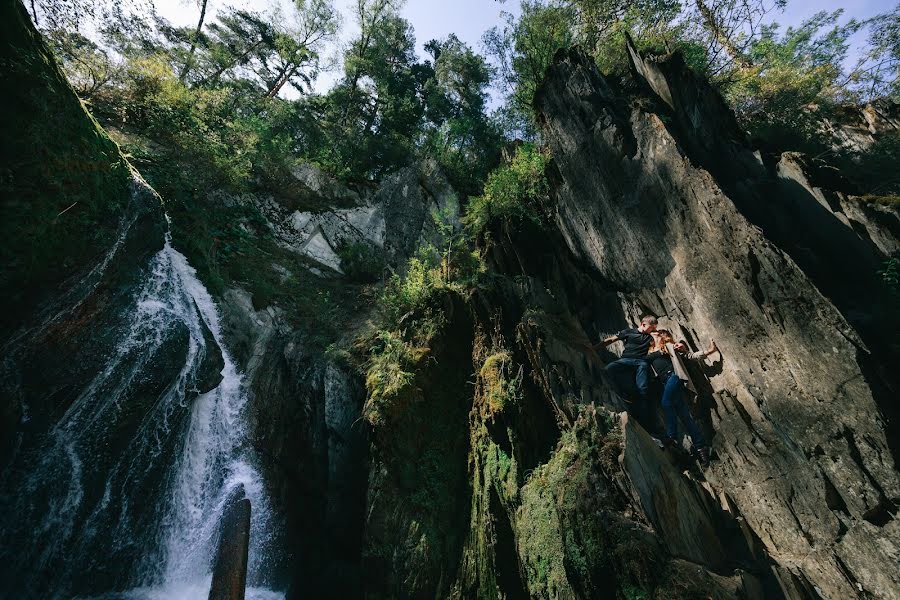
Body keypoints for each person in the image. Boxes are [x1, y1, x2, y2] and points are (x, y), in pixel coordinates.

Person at [644, 329, 718, 467]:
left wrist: (709, 351)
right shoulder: (648, 350)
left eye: (656, 333)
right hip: (665, 382)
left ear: (661, 336)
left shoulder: (669, 347)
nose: (652, 335)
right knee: (685, 416)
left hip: (674, 377)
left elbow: (690, 356)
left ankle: (671, 437)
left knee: (666, 403)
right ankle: (702, 448)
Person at [595, 315, 658, 428]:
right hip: (625, 360)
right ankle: (615, 396)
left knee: (642, 390)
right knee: (608, 369)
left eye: (655, 328)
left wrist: (655, 335)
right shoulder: (629, 332)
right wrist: (594, 348)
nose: (654, 330)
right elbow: (610, 340)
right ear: (643, 324)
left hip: (641, 362)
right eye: (652, 328)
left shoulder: (651, 337)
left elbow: (662, 342)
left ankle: (643, 421)